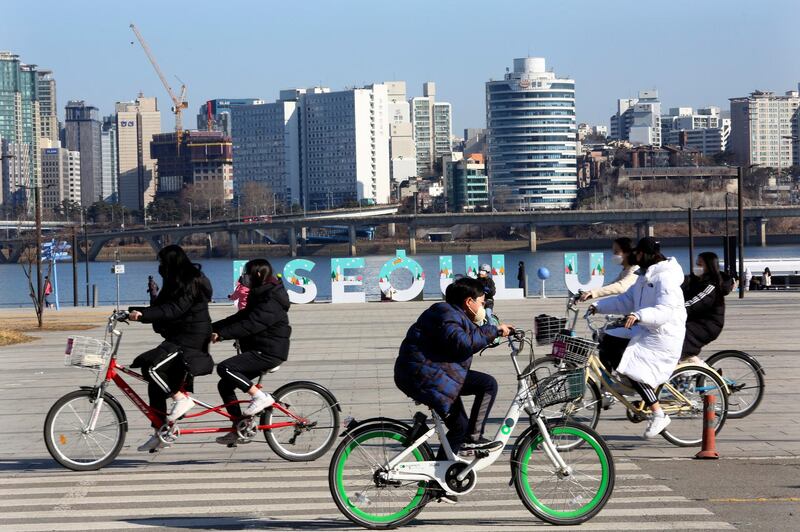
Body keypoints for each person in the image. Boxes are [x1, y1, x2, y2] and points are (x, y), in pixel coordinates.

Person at [394, 277, 513, 503]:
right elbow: (463, 343)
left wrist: (495, 333)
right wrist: (493, 331)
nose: (483, 306)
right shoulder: (446, 314)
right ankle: (474, 439)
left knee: (458, 427)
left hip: (434, 374)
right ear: (469, 302)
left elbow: (467, 338)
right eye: (481, 302)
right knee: (488, 384)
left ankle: (438, 486)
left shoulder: (452, 313)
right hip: (426, 376)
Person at [590, 237, 686, 439]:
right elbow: (625, 301)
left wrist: (639, 315)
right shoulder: (644, 276)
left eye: (639, 253)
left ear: (647, 254)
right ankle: (625, 383)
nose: (636, 256)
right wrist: (598, 306)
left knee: (637, 368)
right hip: (645, 329)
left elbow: (665, 311)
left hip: (663, 335)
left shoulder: (665, 278)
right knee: (607, 340)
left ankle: (658, 414)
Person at [128, 245, 214, 452]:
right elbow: (162, 306)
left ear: (171, 263)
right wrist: (135, 312)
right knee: (151, 376)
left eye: (162, 262)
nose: (160, 266)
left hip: (191, 337)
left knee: (152, 367)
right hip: (179, 335)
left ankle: (180, 398)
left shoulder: (190, 281)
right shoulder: (174, 279)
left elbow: (175, 309)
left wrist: (145, 315)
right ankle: (160, 430)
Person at [211, 259, 291, 446]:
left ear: (256, 275)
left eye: (245, 274)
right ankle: (239, 427)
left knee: (225, 368)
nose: (243, 278)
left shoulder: (272, 298)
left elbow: (251, 324)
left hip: (269, 351)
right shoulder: (260, 294)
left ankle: (260, 397)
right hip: (259, 348)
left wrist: (222, 335)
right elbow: (241, 317)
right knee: (225, 385)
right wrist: (211, 328)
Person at [681, 252, 732, 363]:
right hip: (696, 321)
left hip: (707, 325)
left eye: (700, 264)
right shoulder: (696, 280)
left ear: (709, 266)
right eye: (696, 263)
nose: (696, 267)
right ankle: (698, 371)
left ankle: (706, 372)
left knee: (677, 346)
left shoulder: (711, 286)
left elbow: (694, 303)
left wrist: (674, 309)